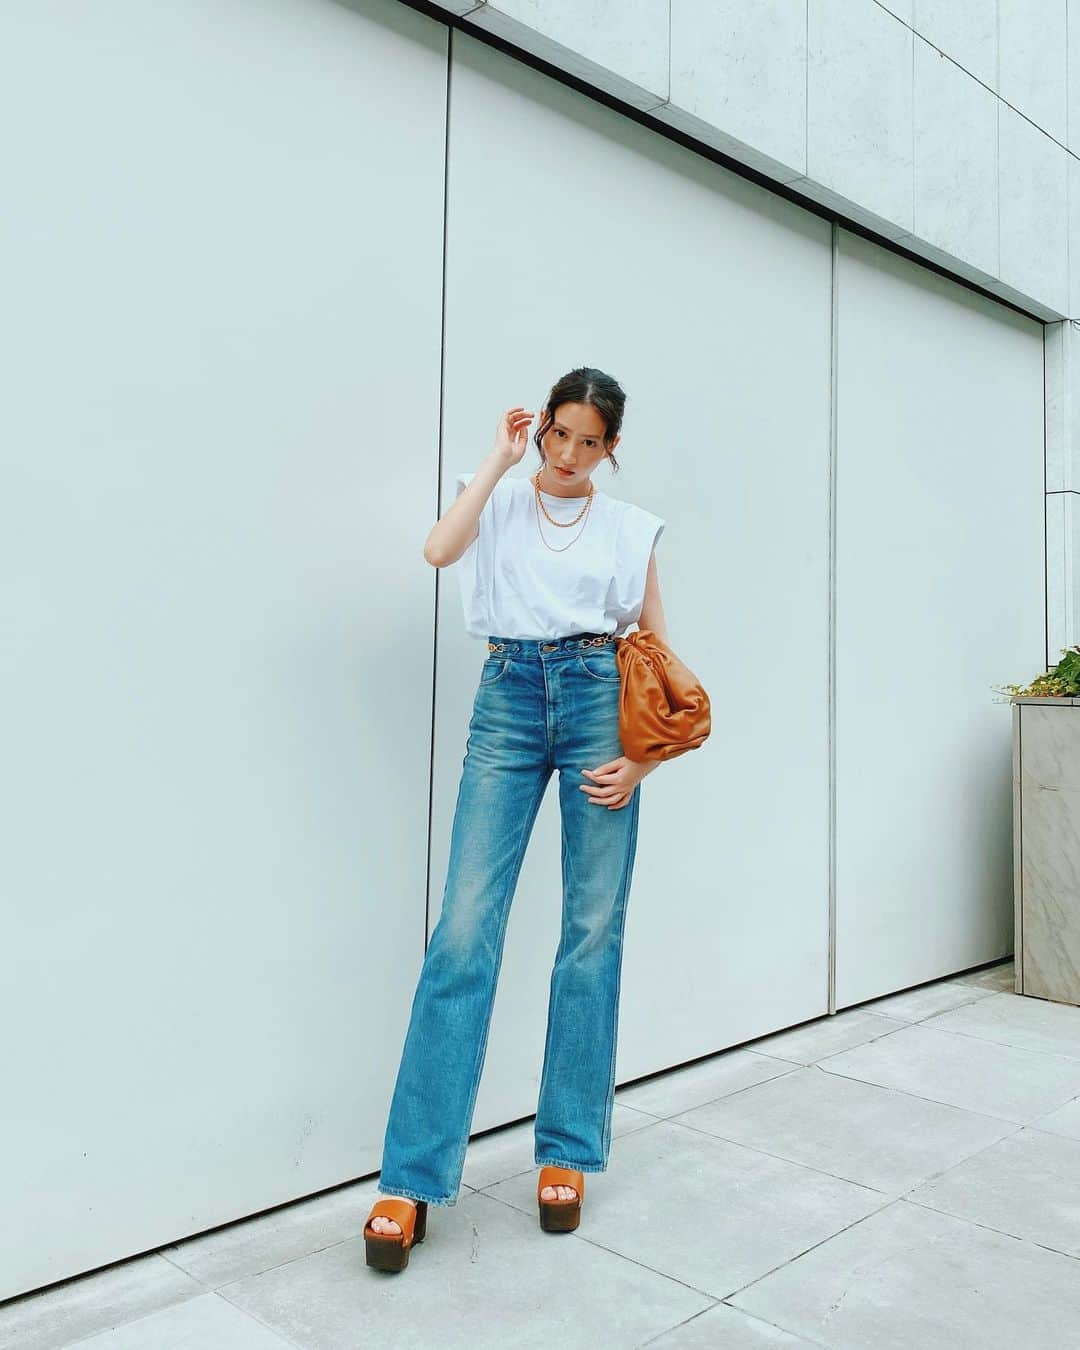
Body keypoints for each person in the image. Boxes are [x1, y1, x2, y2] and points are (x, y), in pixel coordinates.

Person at [364, 367, 669, 1272]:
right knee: (463, 932)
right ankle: (411, 1178)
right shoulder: (493, 496)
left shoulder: (628, 527)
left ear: (612, 448)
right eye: (558, 436)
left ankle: (566, 1152)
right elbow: (436, 552)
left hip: (596, 708)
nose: (571, 456)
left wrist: (644, 756)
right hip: (506, 698)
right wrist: (497, 462)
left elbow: (656, 648)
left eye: (590, 443)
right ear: (539, 429)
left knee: (589, 933)